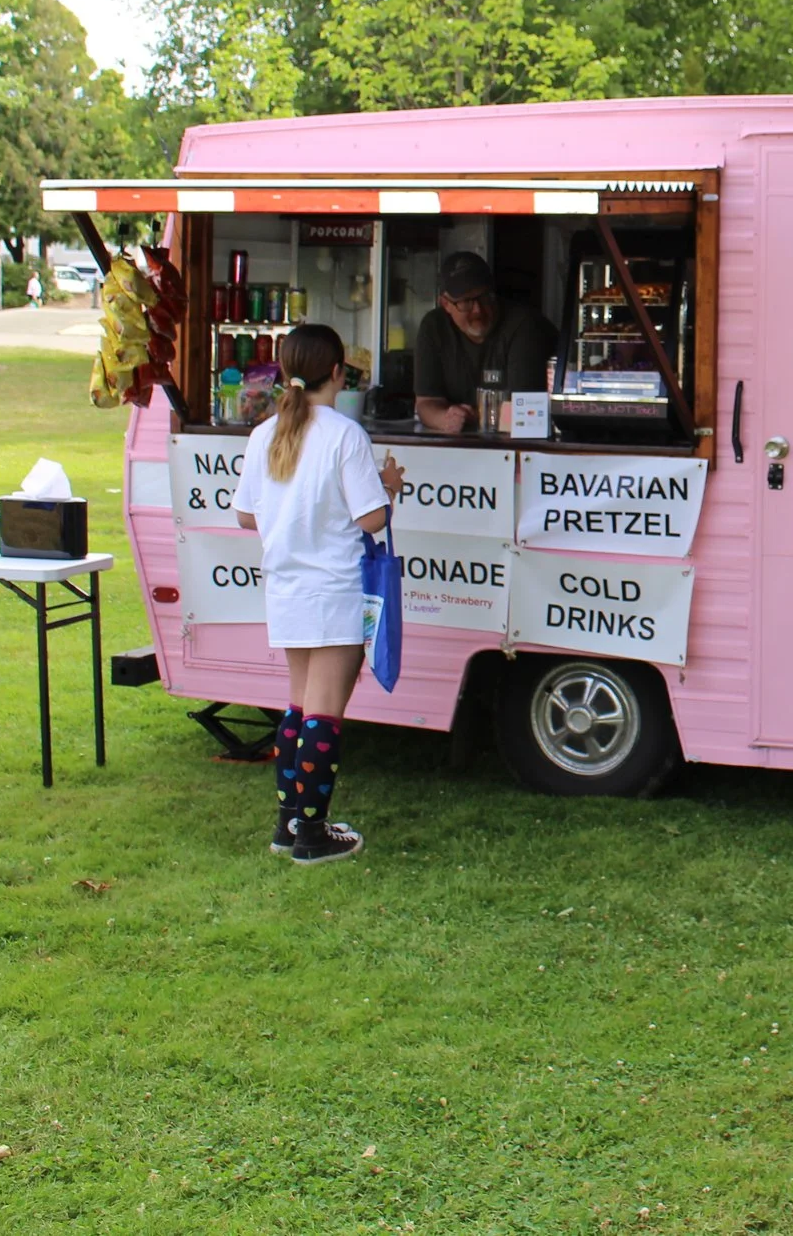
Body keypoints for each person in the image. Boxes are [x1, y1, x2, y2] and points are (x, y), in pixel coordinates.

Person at [234, 323, 404, 865]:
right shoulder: (343, 434)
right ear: (338, 373)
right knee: (324, 715)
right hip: (335, 587)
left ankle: (290, 825)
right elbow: (372, 517)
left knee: (299, 708)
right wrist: (390, 487)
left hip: (285, 586)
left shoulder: (265, 434)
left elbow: (243, 513)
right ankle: (312, 834)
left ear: (284, 371)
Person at [413, 251, 557, 433]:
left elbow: (526, 414)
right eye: (466, 302)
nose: (478, 310)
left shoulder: (524, 325)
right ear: (445, 304)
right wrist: (445, 419)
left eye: (484, 297)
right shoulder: (433, 327)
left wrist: (481, 415)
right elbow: (426, 402)